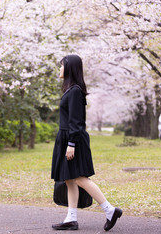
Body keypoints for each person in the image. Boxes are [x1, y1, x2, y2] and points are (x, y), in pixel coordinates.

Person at [51, 54, 122, 231]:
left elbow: (76, 120)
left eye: (62, 66)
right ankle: (71, 218)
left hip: (72, 138)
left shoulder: (74, 91)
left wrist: (71, 144)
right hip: (66, 137)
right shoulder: (70, 90)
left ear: (69, 68)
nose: (59, 69)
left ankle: (110, 210)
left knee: (79, 177)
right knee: (69, 179)